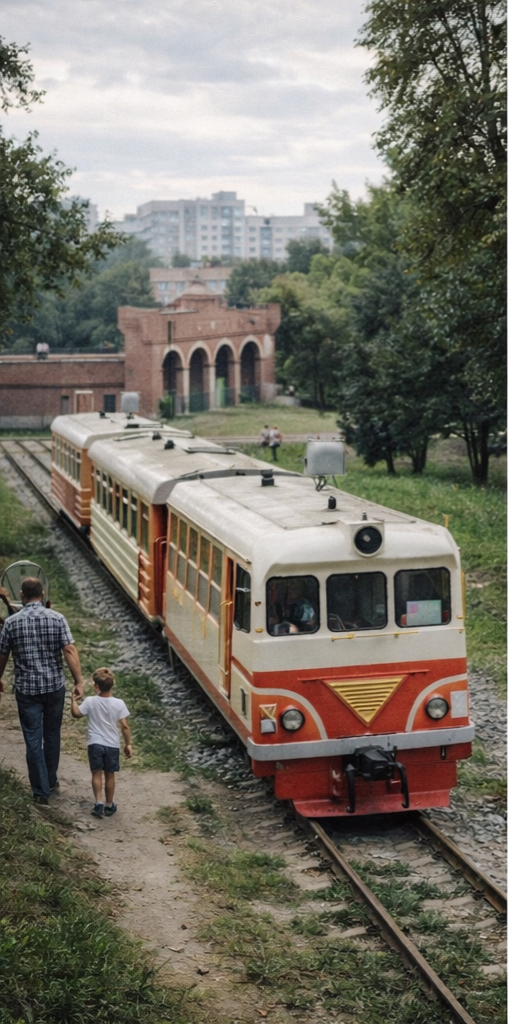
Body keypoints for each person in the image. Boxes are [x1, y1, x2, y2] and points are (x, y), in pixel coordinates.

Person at [0, 577, 84, 805]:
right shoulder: (57, 618)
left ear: (23, 596)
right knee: (52, 734)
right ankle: (51, 778)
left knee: (32, 739)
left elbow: (3, 654)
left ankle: (40, 791)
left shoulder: (11, 623)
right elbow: (68, 649)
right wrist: (79, 681)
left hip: (27, 691)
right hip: (54, 687)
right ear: (43, 593)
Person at [71, 666, 132, 818]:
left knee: (96, 773)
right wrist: (128, 744)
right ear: (113, 684)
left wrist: (73, 700)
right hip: (112, 744)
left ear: (96, 686)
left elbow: (77, 714)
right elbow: (124, 726)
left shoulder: (91, 701)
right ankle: (109, 805)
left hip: (95, 743)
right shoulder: (119, 703)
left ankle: (98, 803)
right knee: (110, 775)